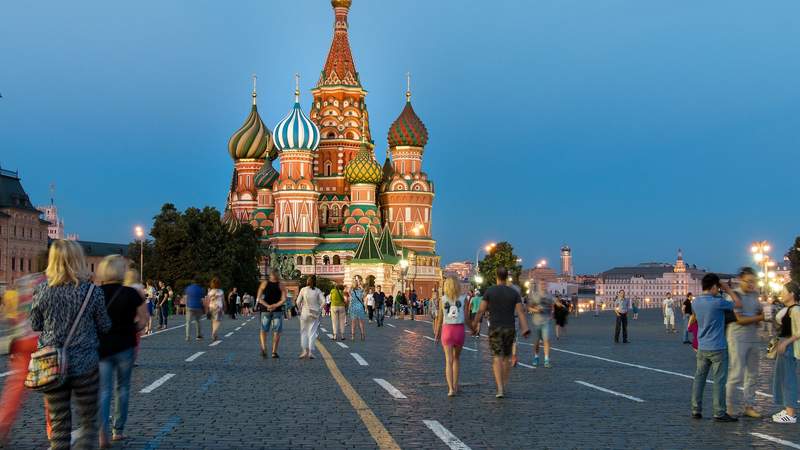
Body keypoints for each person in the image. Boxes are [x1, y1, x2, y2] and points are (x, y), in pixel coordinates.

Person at [30, 239, 112, 449]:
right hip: (85, 364)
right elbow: (105, 326)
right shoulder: (93, 292)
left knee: (59, 425)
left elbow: (36, 324)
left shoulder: (42, 290)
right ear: (79, 261)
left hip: (52, 365)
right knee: (88, 421)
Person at [96, 255, 148, 447]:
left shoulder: (96, 292)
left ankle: (102, 435)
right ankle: (118, 430)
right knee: (123, 388)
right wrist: (132, 329)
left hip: (102, 347)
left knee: (104, 390)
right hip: (126, 345)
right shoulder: (131, 294)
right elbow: (143, 320)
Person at [0, 271, 47, 443]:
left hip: (22, 341)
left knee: (14, 389)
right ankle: (54, 431)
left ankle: (2, 425)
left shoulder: (24, 283)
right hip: (42, 342)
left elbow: (11, 317)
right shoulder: (49, 284)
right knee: (52, 387)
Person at [471, 267, 530, 398]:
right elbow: (521, 312)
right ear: (506, 277)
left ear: (496, 276)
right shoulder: (514, 293)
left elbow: (480, 310)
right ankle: (504, 382)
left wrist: (474, 325)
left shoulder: (490, 291)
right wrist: (525, 328)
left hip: (495, 328)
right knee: (507, 358)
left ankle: (500, 388)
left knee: (497, 357)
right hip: (509, 328)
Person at [690, 273, 741, 422]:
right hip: (718, 347)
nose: (718, 290)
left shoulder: (696, 302)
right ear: (713, 287)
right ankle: (719, 412)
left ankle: (696, 409)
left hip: (702, 346)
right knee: (719, 381)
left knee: (699, 379)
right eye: (717, 288)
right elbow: (738, 304)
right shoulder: (718, 303)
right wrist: (728, 290)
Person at [725, 267, 764, 419]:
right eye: (749, 281)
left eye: (754, 282)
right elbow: (739, 320)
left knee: (753, 373)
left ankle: (749, 405)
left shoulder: (755, 294)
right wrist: (760, 318)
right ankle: (728, 407)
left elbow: (759, 311)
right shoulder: (734, 296)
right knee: (736, 373)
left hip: (753, 337)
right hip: (737, 338)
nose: (752, 285)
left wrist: (760, 315)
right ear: (740, 280)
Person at [770, 284, 800, 423]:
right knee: (782, 377)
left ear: (792, 294)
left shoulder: (795, 310)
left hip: (789, 346)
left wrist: (786, 343)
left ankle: (791, 413)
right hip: (784, 344)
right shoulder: (787, 309)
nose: (781, 294)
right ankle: (788, 409)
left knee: (789, 379)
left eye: (784, 292)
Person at [434, 277, 467, 397]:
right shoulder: (464, 299)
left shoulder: (442, 299)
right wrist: (473, 328)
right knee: (456, 359)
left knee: (448, 361)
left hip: (447, 331)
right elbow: (467, 318)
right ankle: (456, 385)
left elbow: (439, 319)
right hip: (459, 330)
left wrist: (437, 334)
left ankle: (450, 389)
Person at [256, 269, 286, 358]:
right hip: (277, 310)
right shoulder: (281, 285)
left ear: (270, 275)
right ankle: (274, 352)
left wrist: (268, 305)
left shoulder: (264, 283)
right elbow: (284, 299)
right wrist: (275, 305)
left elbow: (259, 298)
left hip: (265, 310)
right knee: (277, 331)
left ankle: (264, 348)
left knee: (263, 330)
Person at [297, 275, 325, 359]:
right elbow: (324, 301)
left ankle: (304, 351)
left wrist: (300, 309)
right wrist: (319, 309)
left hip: (305, 313)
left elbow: (298, 302)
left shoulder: (303, 290)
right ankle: (310, 352)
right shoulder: (317, 290)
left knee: (304, 332)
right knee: (312, 333)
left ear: (307, 282)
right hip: (315, 313)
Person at [528, 282, 554, 368]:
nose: (543, 285)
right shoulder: (535, 295)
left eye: (545, 284)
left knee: (546, 340)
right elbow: (529, 307)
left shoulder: (549, 296)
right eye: (542, 284)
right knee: (536, 342)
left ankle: (546, 360)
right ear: (539, 286)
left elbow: (551, 307)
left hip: (545, 321)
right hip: (536, 322)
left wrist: (551, 314)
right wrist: (536, 310)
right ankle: (536, 356)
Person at [349, 276, 367, 340]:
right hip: (360, 307)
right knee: (361, 322)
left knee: (353, 322)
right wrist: (360, 285)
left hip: (353, 307)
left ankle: (353, 336)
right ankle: (362, 335)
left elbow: (350, 297)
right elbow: (364, 295)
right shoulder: (360, 290)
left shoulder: (351, 291)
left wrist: (355, 282)